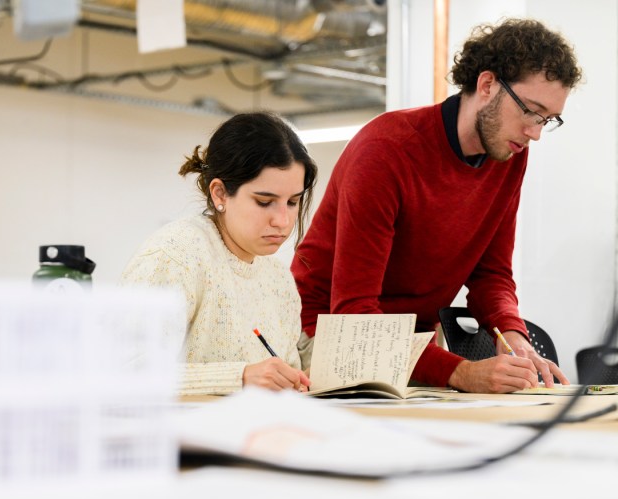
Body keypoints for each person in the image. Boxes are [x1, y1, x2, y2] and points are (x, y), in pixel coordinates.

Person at [291, 18, 582, 393]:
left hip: (411, 343)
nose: (535, 133)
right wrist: (460, 372)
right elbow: (355, 316)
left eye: (548, 119)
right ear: (488, 85)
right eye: (529, 110)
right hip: (329, 336)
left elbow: (491, 274)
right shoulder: (387, 152)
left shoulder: (508, 156)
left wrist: (514, 338)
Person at [121, 111, 316, 395]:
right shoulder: (175, 255)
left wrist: (297, 382)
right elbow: (122, 371)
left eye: (292, 202)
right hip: (181, 436)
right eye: (264, 202)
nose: (283, 221)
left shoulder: (278, 277)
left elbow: (280, 377)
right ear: (220, 194)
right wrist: (239, 377)